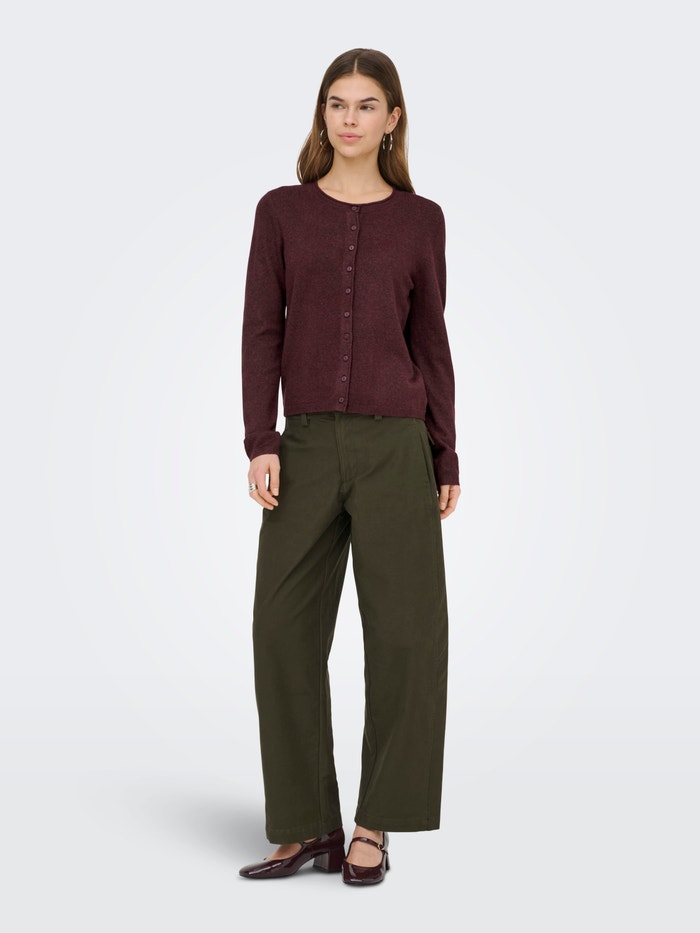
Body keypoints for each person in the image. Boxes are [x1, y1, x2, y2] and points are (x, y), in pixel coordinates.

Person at [238, 48, 461, 886]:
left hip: (396, 446)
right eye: (338, 103)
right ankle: (306, 825)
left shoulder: (421, 219)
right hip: (302, 445)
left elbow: (430, 340)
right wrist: (260, 437)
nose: (351, 118)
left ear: (393, 118)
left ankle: (373, 823)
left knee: (406, 635)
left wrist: (445, 448)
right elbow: (261, 327)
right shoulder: (282, 211)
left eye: (368, 105)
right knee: (280, 629)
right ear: (322, 114)